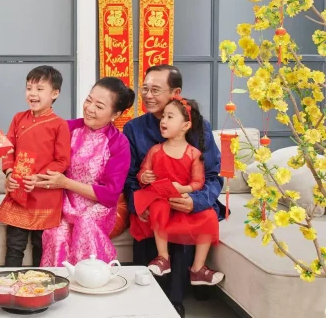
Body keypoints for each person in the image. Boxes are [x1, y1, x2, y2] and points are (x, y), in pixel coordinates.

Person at [123, 64, 225, 318]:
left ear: (175, 92)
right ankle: (144, 302)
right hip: (153, 200)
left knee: (187, 221)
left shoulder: (199, 126)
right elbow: (130, 176)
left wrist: (195, 201)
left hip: (187, 199)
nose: (148, 95)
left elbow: (212, 175)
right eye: (145, 88)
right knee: (150, 222)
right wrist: (138, 205)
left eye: (155, 90)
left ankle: (174, 302)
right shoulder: (134, 128)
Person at [37, 77, 135, 266]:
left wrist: (65, 183)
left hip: (98, 207)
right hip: (65, 202)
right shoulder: (68, 128)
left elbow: (110, 195)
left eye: (99, 106)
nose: (89, 108)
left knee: (85, 223)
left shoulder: (119, 143)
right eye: (89, 100)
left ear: (115, 114)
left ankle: (90, 279)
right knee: (56, 234)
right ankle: (57, 281)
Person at [132, 96, 223, 285]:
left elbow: (198, 182)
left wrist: (183, 189)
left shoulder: (193, 153)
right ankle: (163, 257)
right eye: (163, 116)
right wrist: (144, 177)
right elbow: (142, 173)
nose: (163, 121)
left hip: (182, 199)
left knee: (209, 216)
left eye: (170, 117)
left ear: (186, 125)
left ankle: (198, 268)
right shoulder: (155, 150)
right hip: (159, 197)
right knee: (157, 207)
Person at [0, 65, 71, 267]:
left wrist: (38, 178)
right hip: (19, 192)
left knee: (41, 246)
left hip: (45, 194)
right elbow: (8, 149)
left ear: (55, 93)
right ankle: (9, 282)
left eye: (39, 89)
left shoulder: (60, 124)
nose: (32, 94)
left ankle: (38, 284)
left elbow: (62, 161)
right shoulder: (18, 118)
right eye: (29, 88)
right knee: (14, 245)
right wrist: (9, 173)